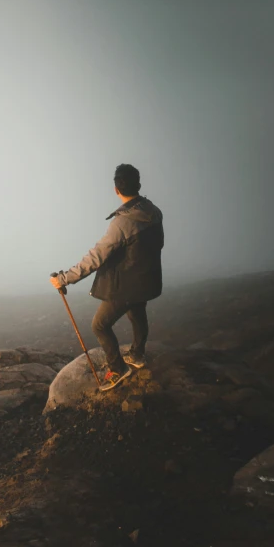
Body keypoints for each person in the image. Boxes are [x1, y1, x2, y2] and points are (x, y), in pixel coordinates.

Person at [50, 164, 164, 392]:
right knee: (137, 312)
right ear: (139, 185)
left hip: (127, 284)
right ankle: (138, 354)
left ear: (116, 189)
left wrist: (64, 279)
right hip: (146, 279)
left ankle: (118, 369)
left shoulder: (122, 223)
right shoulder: (154, 212)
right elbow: (157, 243)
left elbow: (95, 258)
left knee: (100, 325)